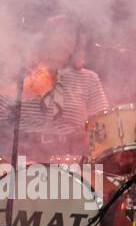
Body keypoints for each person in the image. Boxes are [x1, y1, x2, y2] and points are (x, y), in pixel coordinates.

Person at [0, 15, 110, 163]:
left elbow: (103, 125)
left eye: (70, 36)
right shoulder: (19, 75)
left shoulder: (88, 79)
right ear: (45, 39)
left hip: (74, 162)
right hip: (23, 160)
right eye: (59, 34)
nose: (64, 41)